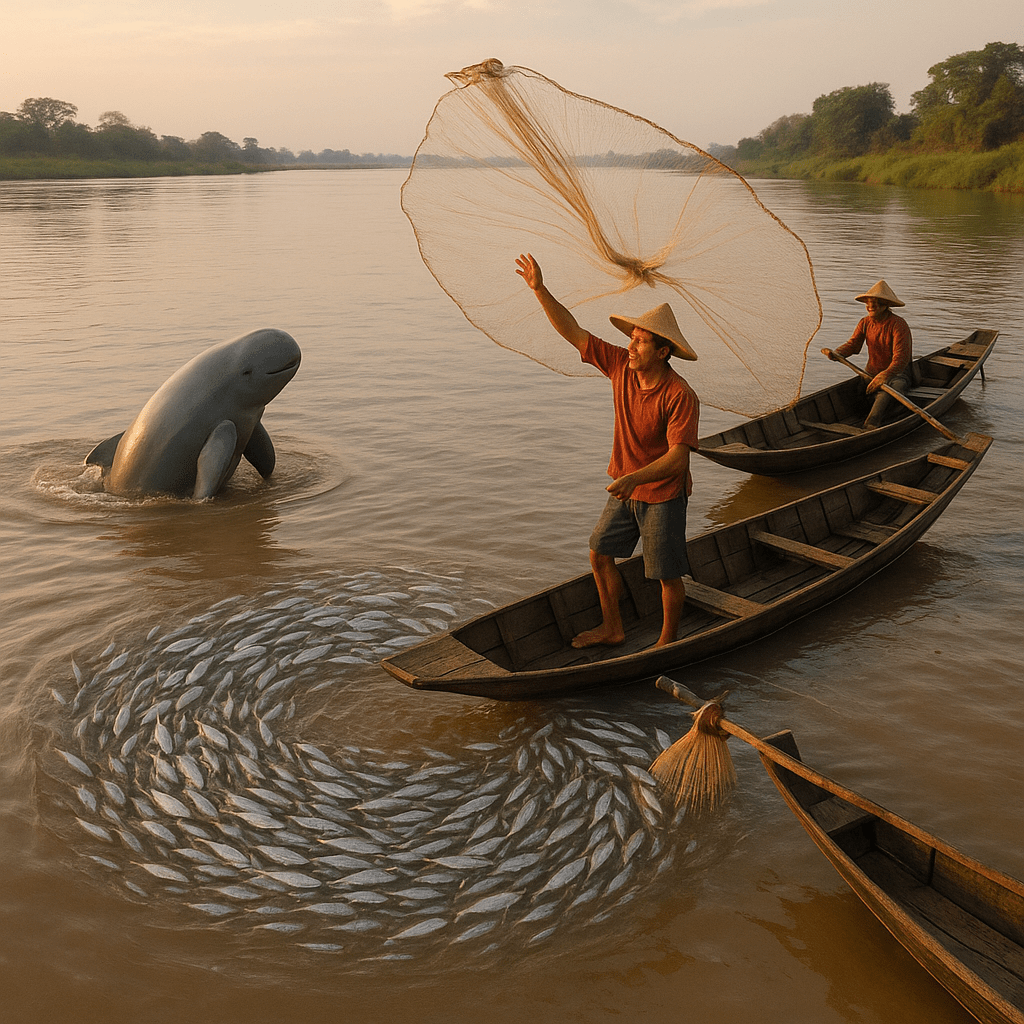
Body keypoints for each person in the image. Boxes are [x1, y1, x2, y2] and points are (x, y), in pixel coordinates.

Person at [515, 252, 700, 649]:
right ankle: (612, 629)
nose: (630, 346)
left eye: (640, 341)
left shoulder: (679, 394)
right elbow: (573, 331)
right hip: (627, 488)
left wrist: (635, 477)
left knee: (665, 574)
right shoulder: (619, 366)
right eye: (630, 339)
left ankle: (667, 642)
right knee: (599, 555)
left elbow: (678, 458)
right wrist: (540, 290)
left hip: (662, 493)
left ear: (662, 351)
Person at [827, 280, 913, 428]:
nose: (871, 306)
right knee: (854, 391)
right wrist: (837, 353)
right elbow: (853, 344)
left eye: (876, 303)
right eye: (869, 303)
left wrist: (885, 375)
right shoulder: (865, 323)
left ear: (885, 305)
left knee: (887, 393)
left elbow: (901, 358)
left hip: (896, 375)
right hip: (871, 373)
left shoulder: (898, 325)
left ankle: (872, 424)